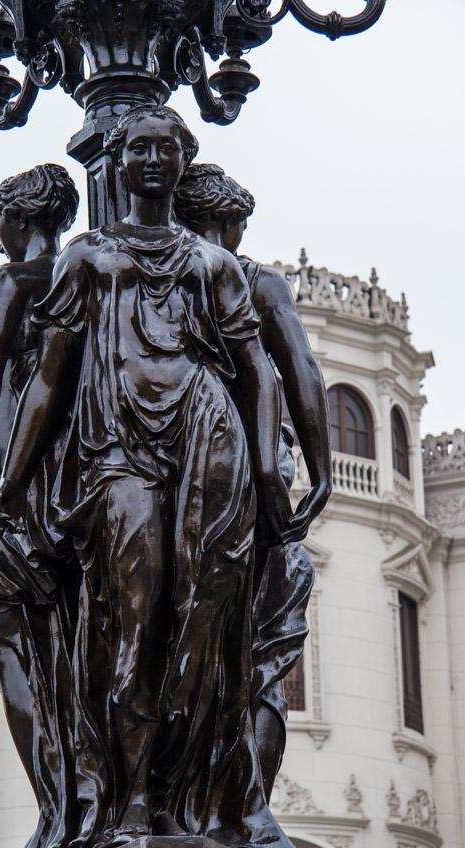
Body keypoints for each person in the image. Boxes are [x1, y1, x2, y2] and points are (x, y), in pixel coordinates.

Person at [0, 105, 299, 848]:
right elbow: (48, 383)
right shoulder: (87, 258)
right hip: (117, 451)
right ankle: (128, 798)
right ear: (119, 162)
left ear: (182, 157)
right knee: (133, 621)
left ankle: (203, 801)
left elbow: (258, 370)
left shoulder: (214, 266)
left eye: (168, 148)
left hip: (208, 436)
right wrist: (10, 482)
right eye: (140, 148)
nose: (155, 160)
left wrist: (268, 467)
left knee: (205, 628)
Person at [174, 163, 331, 798]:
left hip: (173, 476)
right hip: (249, 478)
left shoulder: (154, 282)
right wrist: (313, 470)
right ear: (235, 221)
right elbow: (301, 373)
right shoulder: (255, 280)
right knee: (263, 653)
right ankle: (246, 808)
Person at [0, 164, 80, 848]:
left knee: (15, 654)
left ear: (18, 217)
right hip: (75, 493)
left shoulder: (15, 283)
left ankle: (58, 812)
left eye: (0, 215)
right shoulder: (92, 281)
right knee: (72, 660)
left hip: (15, 489)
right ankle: (82, 806)